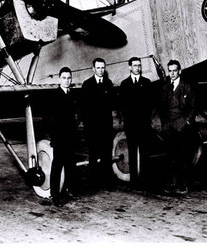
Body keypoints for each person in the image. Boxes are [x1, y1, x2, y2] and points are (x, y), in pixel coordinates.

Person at [158, 59, 198, 196]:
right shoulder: (165, 88)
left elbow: (193, 108)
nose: (172, 73)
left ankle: (183, 184)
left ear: (179, 71)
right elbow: (161, 108)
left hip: (182, 127)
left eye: (175, 70)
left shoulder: (187, 86)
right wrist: (165, 124)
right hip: (169, 128)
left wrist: (186, 122)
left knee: (183, 157)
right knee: (171, 157)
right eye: (170, 71)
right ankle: (172, 183)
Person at [81, 58, 116, 191]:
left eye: (103, 68)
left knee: (106, 156)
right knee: (94, 156)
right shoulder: (87, 84)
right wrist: (88, 127)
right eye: (98, 68)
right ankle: (94, 183)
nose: (101, 70)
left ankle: (107, 183)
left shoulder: (108, 83)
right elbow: (84, 108)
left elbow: (111, 104)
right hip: (93, 129)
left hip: (106, 127)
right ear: (93, 69)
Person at [119, 57, 154, 189]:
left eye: (139, 65)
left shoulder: (147, 83)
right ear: (130, 67)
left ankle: (145, 179)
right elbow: (122, 105)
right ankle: (134, 181)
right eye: (135, 65)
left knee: (145, 153)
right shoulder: (124, 84)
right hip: (131, 125)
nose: (138, 68)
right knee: (132, 153)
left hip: (144, 125)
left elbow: (150, 104)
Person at [49, 67, 79, 207]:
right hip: (60, 139)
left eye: (69, 78)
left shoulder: (73, 95)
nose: (67, 81)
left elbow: (76, 115)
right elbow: (49, 119)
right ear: (59, 79)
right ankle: (55, 195)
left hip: (71, 138)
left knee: (70, 166)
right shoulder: (54, 96)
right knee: (57, 168)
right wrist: (54, 138)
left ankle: (68, 190)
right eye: (64, 78)